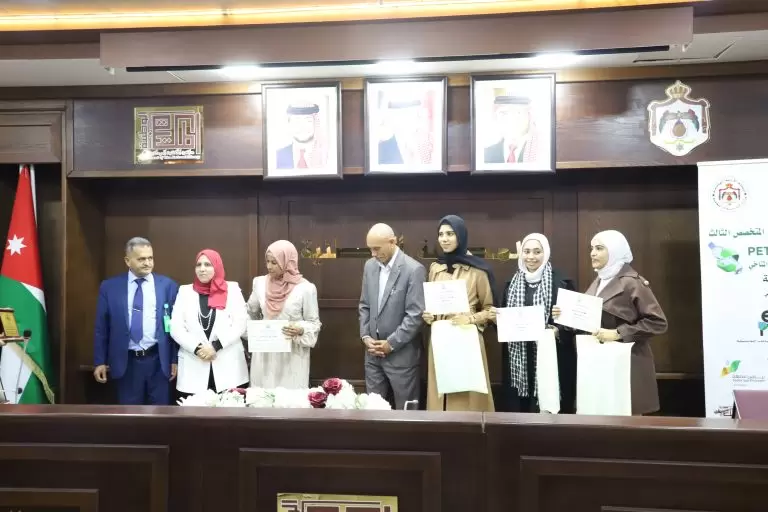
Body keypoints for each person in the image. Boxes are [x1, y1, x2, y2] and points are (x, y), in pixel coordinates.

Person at [555, 230, 668, 415]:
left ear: (615, 251)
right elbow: (591, 319)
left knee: (628, 421)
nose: (593, 253)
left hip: (626, 363)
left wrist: (618, 333)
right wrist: (565, 316)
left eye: (599, 248)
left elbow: (658, 322)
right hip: (600, 362)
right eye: (592, 248)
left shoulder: (632, 282)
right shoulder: (601, 280)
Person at [493, 233, 576, 413]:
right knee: (521, 408)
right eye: (527, 251)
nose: (531, 257)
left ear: (546, 253)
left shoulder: (562, 282)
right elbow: (503, 323)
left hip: (552, 355)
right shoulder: (511, 284)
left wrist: (558, 329)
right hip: (520, 357)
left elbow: (573, 323)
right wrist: (496, 318)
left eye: (537, 252)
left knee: (550, 406)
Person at [423, 215, 497, 412]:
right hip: (440, 339)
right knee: (441, 393)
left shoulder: (478, 270)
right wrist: (429, 317)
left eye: (450, 234)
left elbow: (491, 311)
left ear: (461, 236)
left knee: (467, 397)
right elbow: (432, 304)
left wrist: (470, 319)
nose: (444, 239)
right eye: (441, 234)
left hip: (466, 339)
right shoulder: (435, 268)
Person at [93, 237, 179, 405]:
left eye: (150, 258)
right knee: (129, 414)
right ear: (127, 261)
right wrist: (99, 361)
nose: (147, 263)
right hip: (126, 363)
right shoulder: (109, 287)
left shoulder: (168, 286)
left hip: (159, 361)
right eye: (141, 259)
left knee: (161, 414)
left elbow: (175, 326)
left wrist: (174, 359)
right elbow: (101, 327)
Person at [359, 223, 426, 410]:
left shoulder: (414, 270)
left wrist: (391, 343)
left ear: (392, 242)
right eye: (370, 249)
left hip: (401, 355)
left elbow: (415, 315)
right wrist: (365, 336)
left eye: (377, 248)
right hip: (372, 354)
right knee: (373, 411)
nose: (373, 254)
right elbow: (364, 305)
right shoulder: (370, 266)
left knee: (406, 413)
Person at [170, 249, 248, 397]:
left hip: (228, 365)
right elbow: (176, 327)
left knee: (229, 409)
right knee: (194, 410)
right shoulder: (185, 291)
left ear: (217, 266)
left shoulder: (232, 289)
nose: (202, 269)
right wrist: (197, 348)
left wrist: (215, 346)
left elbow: (240, 323)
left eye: (207, 264)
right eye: (198, 265)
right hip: (194, 364)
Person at [247, 240, 321, 389]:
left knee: (290, 398)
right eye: (267, 261)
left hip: (292, 354)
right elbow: (250, 312)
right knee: (262, 396)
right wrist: (258, 331)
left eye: (274, 262)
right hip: (265, 353)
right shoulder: (259, 283)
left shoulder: (306, 288)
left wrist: (300, 329)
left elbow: (314, 323)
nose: (269, 266)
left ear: (287, 262)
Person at [483, 95, 539, 164]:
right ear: (496, 118)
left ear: (529, 116)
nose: (511, 119)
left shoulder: (540, 153)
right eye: (504, 113)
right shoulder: (486, 154)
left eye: (518, 112)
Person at [276, 102, 325, 169]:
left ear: (315, 123)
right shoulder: (279, 155)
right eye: (297, 121)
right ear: (289, 123)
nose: (302, 127)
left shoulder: (325, 155)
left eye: (308, 121)